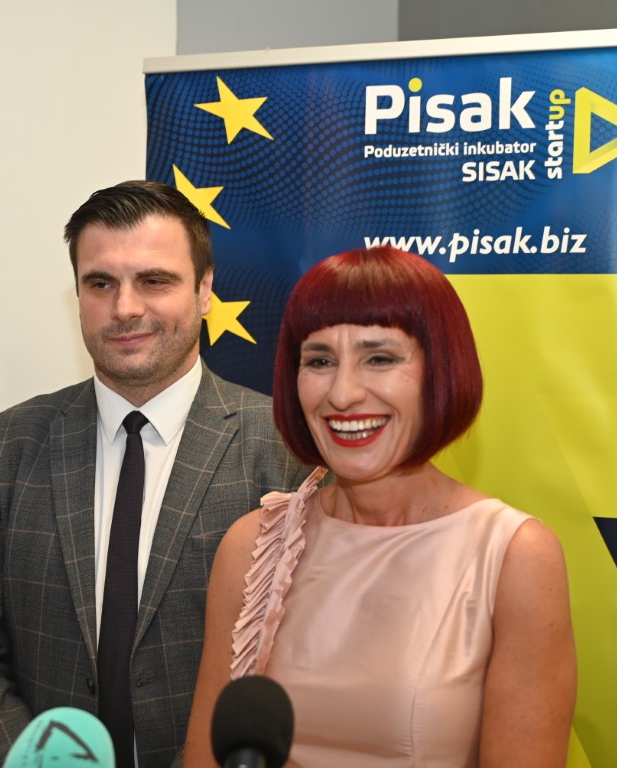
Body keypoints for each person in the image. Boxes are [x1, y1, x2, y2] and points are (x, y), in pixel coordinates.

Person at [0, 180, 310, 768]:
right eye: (100, 283)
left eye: (154, 280)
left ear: (205, 290)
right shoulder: (7, 447)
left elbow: (308, 658)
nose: (125, 307)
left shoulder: (286, 449)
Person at [183, 246, 577, 767]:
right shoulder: (252, 545)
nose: (343, 393)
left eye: (380, 358)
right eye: (320, 361)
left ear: (441, 371)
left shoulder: (514, 556)